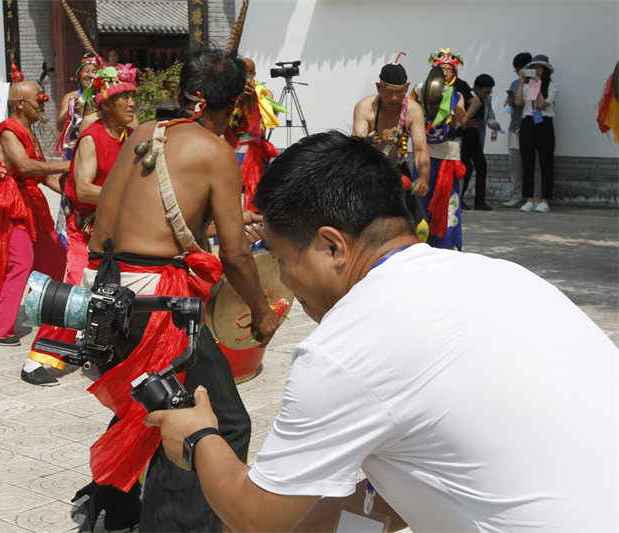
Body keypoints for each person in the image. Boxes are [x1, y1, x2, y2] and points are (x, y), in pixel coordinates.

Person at [147, 131, 618, 532]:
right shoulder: (503, 277)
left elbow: (257, 517)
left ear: (332, 246)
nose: (283, 281)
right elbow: (384, 504)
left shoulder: (347, 348)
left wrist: (198, 439)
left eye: (281, 259)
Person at [78, 49, 281, 531]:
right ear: (232, 104)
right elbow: (234, 256)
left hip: (105, 291)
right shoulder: (214, 150)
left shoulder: (142, 136)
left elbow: (139, 222)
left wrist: (223, 221)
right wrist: (262, 312)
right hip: (157, 301)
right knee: (219, 422)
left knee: (153, 404)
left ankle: (114, 508)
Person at [27, 62, 138, 373]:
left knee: (121, 289)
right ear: (106, 104)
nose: (131, 103)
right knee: (75, 291)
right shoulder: (92, 137)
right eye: (123, 97)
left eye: (133, 96)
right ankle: (39, 359)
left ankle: (107, 348)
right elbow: (84, 190)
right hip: (85, 229)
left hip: (118, 228)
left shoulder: (129, 135)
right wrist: (127, 196)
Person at [0, 80, 70, 386]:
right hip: (10, 203)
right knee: (20, 262)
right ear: (19, 104)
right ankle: (0, 328)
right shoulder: (7, 129)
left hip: (30, 199)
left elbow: (39, 175)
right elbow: (26, 166)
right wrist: (68, 163)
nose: (42, 105)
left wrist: (71, 193)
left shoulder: (28, 130)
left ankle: (43, 312)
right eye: (37, 101)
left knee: (56, 256)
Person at [352, 59, 430, 227]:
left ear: (407, 88)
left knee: (419, 227)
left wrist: (423, 176)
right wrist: (378, 142)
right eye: (388, 92)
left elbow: (420, 148)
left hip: (399, 170)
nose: (394, 98)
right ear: (379, 87)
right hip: (369, 172)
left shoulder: (413, 110)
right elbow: (356, 148)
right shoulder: (365, 108)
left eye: (400, 92)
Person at [411, 49, 468, 250]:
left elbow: (463, 120)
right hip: (425, 152)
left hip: (447, 156)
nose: (444, 73)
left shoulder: (457, 95)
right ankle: (419, 242)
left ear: (454, 74)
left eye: (448, 70)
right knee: (420, 198)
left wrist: (452, 101)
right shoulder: (421, 92)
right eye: (440, 69)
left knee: (447, 202)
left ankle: (445, 243)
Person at [225, 57, 283, 211]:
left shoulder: (265, 94)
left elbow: (270, 117)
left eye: (246, 73)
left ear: (253, 75)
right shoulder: (227, 96)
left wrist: (254, 99)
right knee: (229, 194)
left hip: (255, 150)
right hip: (232, 149)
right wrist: (238, 100)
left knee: (256, 194)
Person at [515, 54, 558, 213]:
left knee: (546, 162)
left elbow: (541, 105)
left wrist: (538, 86)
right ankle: (529, 199)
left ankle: (545, 199)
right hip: (528, 122)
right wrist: (522, 82)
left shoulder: (553, 86)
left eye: (540, 68)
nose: (537, 71)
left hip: (544, 123)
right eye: (534, 68)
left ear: (546, 70)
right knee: (527, 161)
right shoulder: (527, 86)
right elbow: (519, 102)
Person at [502, 52, 541, 208]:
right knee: (515, 165)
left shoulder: (537, 83)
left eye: (521, 69)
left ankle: (536, 197)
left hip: (534, 128)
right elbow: (508, 107)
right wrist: (511, 101)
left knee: (535, 166)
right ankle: (517, 195)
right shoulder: (514, 83)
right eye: (516, 70)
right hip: (515, 128)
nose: (519, 72)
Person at [459, 73, 500, 211]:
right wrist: (466, 123)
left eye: (489, 92)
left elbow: (489, 117)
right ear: (476, 88)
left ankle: (479, 201)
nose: (486, 95)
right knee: (466, 168)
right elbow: (457, 119)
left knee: (482, 166)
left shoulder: (486, 100)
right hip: (463, 137)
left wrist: (493, 124)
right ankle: (458, 198)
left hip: (476, 138)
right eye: (484, 92)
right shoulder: (466, 96)